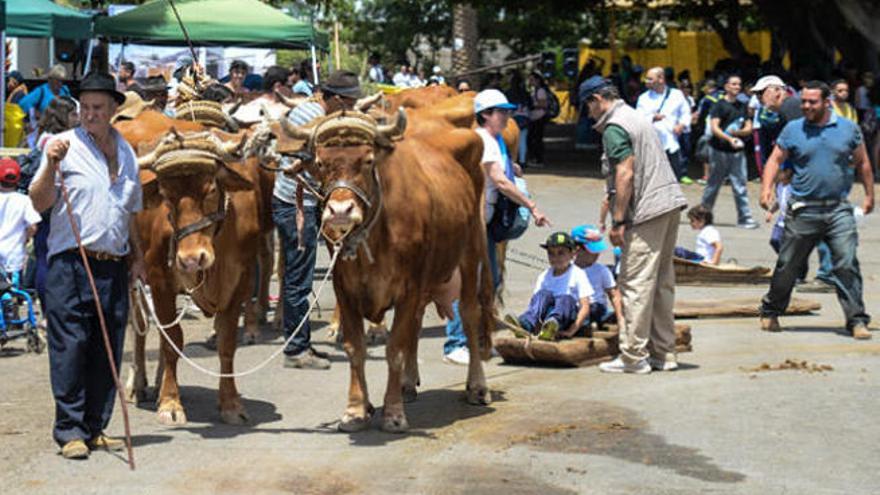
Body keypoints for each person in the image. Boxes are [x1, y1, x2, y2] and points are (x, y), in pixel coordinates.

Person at [28, 72, 144, 459]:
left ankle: (96, 427)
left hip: (114, 263)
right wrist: (48, 165)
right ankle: (69, 430)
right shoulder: (63, 146)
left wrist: (139, 258)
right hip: (71, 264)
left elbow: (129, 211)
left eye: (98, 108)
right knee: (71, 346)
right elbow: (39, 202)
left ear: (114, 110)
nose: (90, 114)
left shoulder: (127, 152)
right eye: (85, 108)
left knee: (107, 346)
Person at [581, 77, 687, 374]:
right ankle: (663, 354)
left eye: (587, 106)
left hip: (647, 211)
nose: (588, 114)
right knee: (661, 283)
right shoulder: (636, 116)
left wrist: (617, 220)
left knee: (634, 284)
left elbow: (624, 173)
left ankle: (632, 356)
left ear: (598, 99)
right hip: (668, 203)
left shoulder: (615, 126)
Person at [442, 89, 551, 365]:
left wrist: (513, 167)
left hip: (486, 225)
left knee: (489, 282)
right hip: (471, 225)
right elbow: (499, 181)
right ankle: (455, 344)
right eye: (501, 112)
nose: (507, 116)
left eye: (507, 111)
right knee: (468, 282)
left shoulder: (496, 139)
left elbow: (503, 171)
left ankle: (478, 339)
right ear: (486, 115)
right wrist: (532, 206)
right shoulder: (483, 140)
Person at [759, 81, 874, 340]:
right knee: (788, 265)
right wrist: (766, 189)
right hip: (803, 209)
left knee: (846, 263)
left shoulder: (847, 129)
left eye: (812, 102)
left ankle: (856, 320)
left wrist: (869, 195)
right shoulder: (793, 129)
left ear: (827, 102)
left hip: (838, 209)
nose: (806, 106)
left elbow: (863, 162)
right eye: (804, 101)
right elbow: (774, 160)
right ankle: (771, 310)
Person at [273, 70, 365, 370]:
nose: (351, 109)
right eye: (350, 103)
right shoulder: (315, 118)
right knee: (299, 279)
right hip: (295, 204)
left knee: (299, 275)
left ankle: (301, 343)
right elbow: (299, 160)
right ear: (336, 99)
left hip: (308, 201)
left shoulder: (316, 112)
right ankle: (296, 349)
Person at [753, 75, 833, 292]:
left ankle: (827, 275)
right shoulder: (788, 109)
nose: (759, 98)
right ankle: (801, 272)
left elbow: (804, 140)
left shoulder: (791, 107)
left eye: (762, 93)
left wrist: (790, 168)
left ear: (776, 90)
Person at [504, 232, 592, 341]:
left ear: (572, 254)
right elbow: (536, 304)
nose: (556, 257)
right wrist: (536, 328)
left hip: (568, 318)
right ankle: (526, 324)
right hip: (546, 319)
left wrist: (572, 330)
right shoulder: (544, 276)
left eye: (561, 253)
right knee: (542, 295)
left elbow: (585, 307)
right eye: (551, 253)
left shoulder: (578, 274)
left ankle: (553, 324)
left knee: (565, 298)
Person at [701, 74, 759, 229]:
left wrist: (739, 134)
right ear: (726, 86)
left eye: (739, 84)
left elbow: (748, 127)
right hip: (719, 151)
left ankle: (745, 218)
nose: (737, 87)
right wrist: (729, 139)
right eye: (733, 84)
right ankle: (703, 216)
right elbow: (715, 127)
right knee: (713, 185)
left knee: (740, 185)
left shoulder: (742, 106)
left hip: (737, 152)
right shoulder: (719, 105)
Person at [636, 67, 693, 183]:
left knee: (673, 180)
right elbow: (638, 119)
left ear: (661, 79)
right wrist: (652, 118)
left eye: (650, 79)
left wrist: (681, 125)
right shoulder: (643, 98)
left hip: (671, 143)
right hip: (651, 144)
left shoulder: (676, 95)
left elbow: (686, 113)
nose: (646, 81)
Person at [0, 159, 41, 292]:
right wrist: (25, 238)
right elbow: (33, 226)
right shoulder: (24, 201)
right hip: (13, 255)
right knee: (12, 293)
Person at [571, 224, 622, 328]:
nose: (597, 254)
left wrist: (620, 318)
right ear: (577, 249)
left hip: (595, 306)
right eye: (593, 251)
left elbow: (614, 295)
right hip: (575, 307)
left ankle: (588, 324)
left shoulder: (602, 270)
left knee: (593, 309)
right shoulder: (568, 269)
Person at [527, 71, 550, 167]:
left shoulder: (540, 91)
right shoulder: (534, 90)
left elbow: (543, 104)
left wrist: (532, 105)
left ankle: (538, 159)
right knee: (534, 138)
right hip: (534, 117)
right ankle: (536, 158)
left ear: (538, 80)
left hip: (539, 117)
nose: (530, 81)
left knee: (536, 139)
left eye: (532, 79)